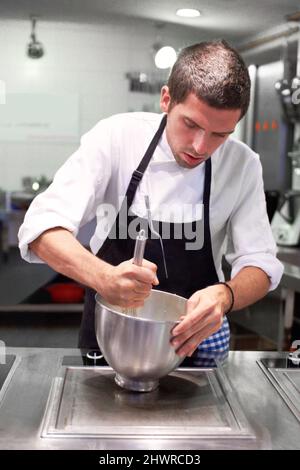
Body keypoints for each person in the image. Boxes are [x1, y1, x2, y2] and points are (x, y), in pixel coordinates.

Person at [18, 40, 283, 360]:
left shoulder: (242, 164)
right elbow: (42, 227)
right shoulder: (116, 137)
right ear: (167, 99)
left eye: (219, 135)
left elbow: (261, 264)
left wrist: (225, 295)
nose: (201, 146)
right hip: (110, 341)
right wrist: (103, 277)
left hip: (191, 349)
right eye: (191, 124)